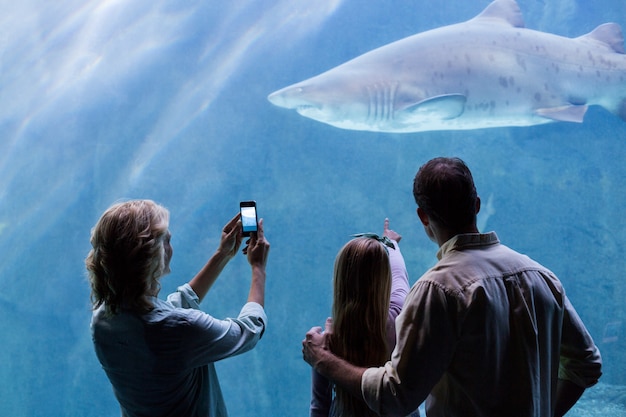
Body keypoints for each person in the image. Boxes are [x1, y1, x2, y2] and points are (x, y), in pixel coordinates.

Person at [302, 157, 602, 417]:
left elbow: (395, 397)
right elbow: (586, 364)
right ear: (477, 204)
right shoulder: (542, 278)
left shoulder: (438, 290)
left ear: (423, 216)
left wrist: (325, 361)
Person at [86, 199, 270, 417]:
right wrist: (258, 268)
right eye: (167, 240)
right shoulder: (179, 329)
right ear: (152, 254)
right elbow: (248, 332)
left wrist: (223, 255)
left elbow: (168, 313)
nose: (171, 247)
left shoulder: (102, 320)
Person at [310, 219, 411, 417]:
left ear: (340, 282)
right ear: (384, 279)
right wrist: (391, 244)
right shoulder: (399, 316)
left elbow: (319, 406)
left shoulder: (326, 342)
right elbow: (399, 274)